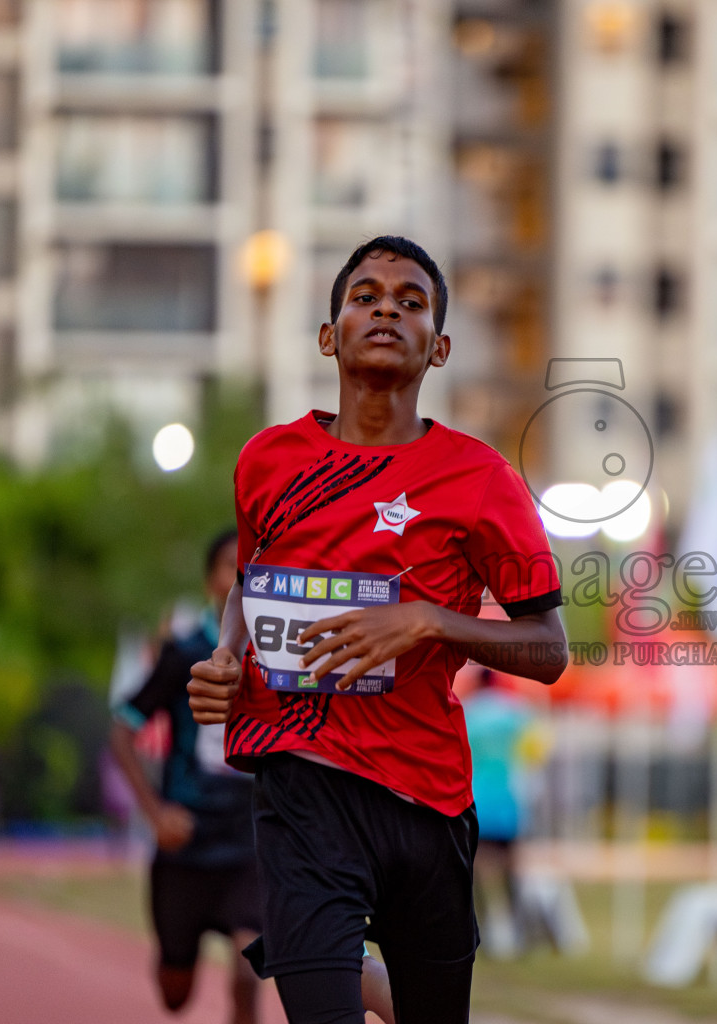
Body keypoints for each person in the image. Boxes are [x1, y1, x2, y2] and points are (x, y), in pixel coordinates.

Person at [187, 235, 566, 1024]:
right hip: (303, 789)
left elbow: (550, 651)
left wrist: (428, 622)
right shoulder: (268, 461)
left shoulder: (479, 479)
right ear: (330, 336)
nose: (387, 307)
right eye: (364, 296)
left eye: (411, 300)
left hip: (426, 797)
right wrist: (227, 656)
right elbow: (249, 589)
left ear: (441, 345)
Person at [110, 532, 398, 1023]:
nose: (239, 576)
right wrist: (155, 813)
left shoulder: (282, 653)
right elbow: (122, 728)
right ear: (211, 582)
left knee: (250, 973)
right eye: (229, 566)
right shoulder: (184, 653)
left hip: (254, 835)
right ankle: (176, 952)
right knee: (174, 993)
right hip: (188, 841)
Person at [461, 667, 539, 957]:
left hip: (476, 799)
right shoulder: (516, 712)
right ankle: (518, 930)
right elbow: (535, 752)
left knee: (475, 870)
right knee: (512, 869)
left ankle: (483, 932)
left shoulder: (467, 711)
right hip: (509, 799)